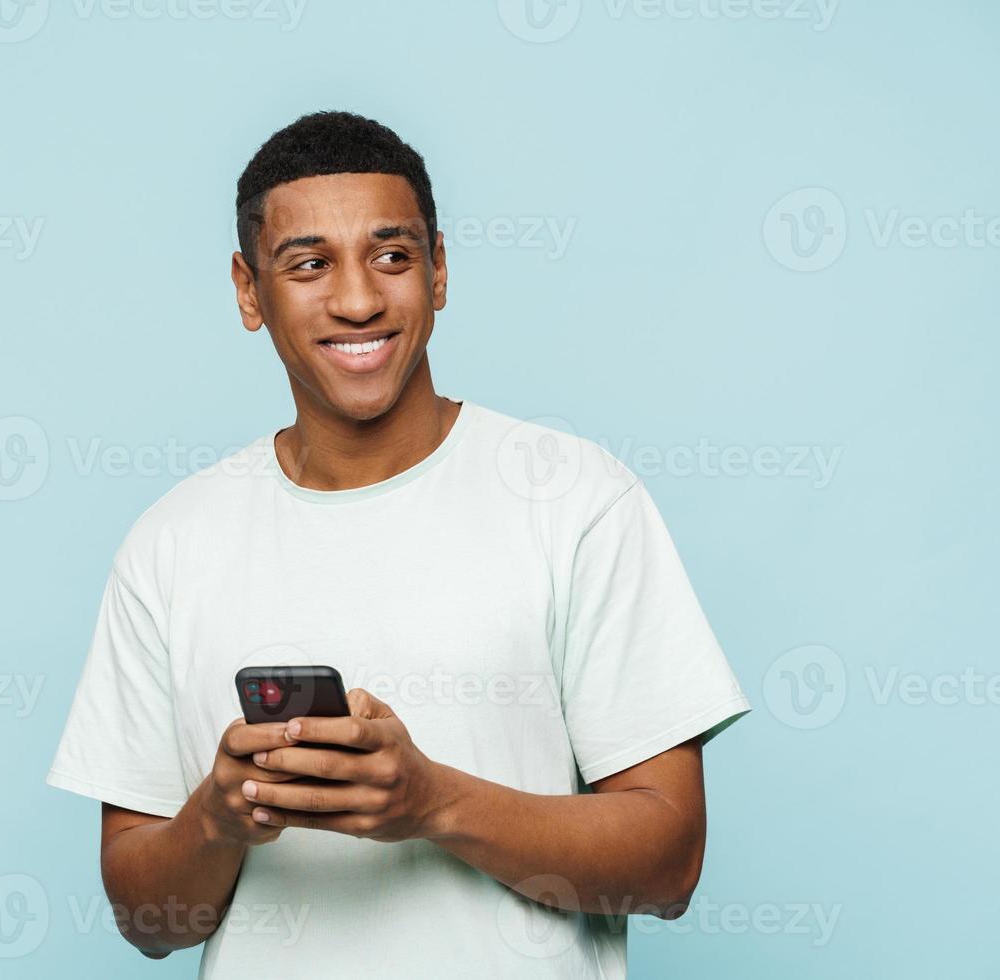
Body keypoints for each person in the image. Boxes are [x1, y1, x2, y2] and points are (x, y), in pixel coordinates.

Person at [47, 110, 751, 978]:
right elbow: (146, 920)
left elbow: (669, 862)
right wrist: (220, 818)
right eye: (308, 265)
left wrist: (431, 801)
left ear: (440, 268)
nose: (357, 299)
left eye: (392, 255)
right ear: (247, 290)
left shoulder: (575, 499)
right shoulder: (171, 544)